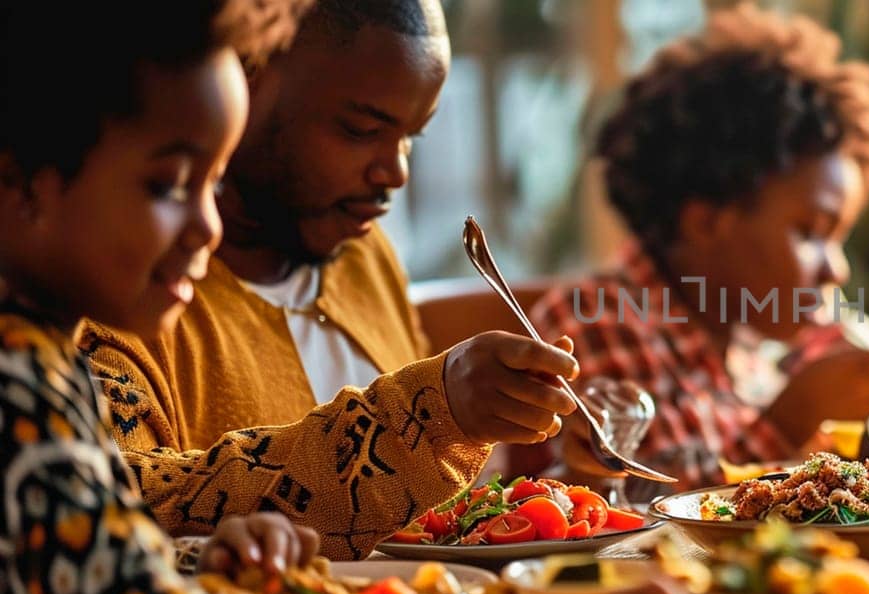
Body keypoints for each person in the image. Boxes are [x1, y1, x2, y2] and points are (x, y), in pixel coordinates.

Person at [79, 0, 580, 560]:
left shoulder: (364, 256)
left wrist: (536, 465)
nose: (395, 172)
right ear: (248, 85)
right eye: (361, 129)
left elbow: (424, 522)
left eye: (411, 136)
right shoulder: (117, 292)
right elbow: (122, 502)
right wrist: (429, 414)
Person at [526, 4, 869, 492]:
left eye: (839, 239)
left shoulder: (767, 333)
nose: (835, 270)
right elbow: (645, 500)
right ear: (706, 222)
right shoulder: (593, 321)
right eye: (811, 234)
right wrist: (791, 419)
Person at [0, 1, 323, 594]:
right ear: (19, 182)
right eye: (170, 184)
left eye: (215, 182)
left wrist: (200, 567)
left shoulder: (50, 357)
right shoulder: (19, 387)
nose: (209, 226)